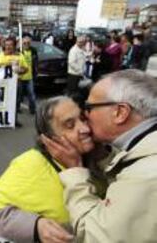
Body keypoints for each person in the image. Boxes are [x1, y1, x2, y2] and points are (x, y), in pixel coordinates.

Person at [42, 69, 157, 242]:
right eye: (70, 124)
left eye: (89, 109)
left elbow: (94, 234)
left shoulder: (145, 176)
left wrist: (74, 171)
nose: (85, 122)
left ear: (120, 113)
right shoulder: (141, 153)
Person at [0, 96, 107, 243]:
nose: (85, 129)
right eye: (70, 125)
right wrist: (36, 226)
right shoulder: (31, 163)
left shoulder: (103, 154)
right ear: (49, 140)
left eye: (83, 119)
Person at [17, 36, 37, 114]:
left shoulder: (33, 51)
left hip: (30, 76)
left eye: (28, 43)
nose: (26, 44)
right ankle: (17, 108)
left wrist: (36, 71)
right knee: (19, 95)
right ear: (22, 43)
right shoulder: (18, 51)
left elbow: (35, 62)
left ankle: (32, 109)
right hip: (20, 77)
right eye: (24, 43)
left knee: (31, 94)